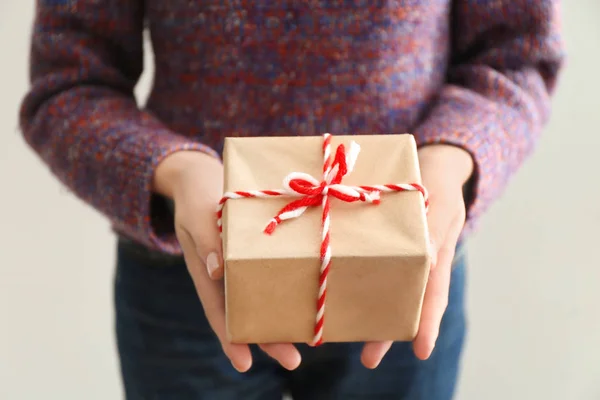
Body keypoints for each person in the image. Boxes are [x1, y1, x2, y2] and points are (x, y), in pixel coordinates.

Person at [20, 1, 564, 399]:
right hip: (188, 274)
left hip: (404, 267)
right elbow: (68, 85)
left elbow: (515, 58)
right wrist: (179, 171)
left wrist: (448, 161)